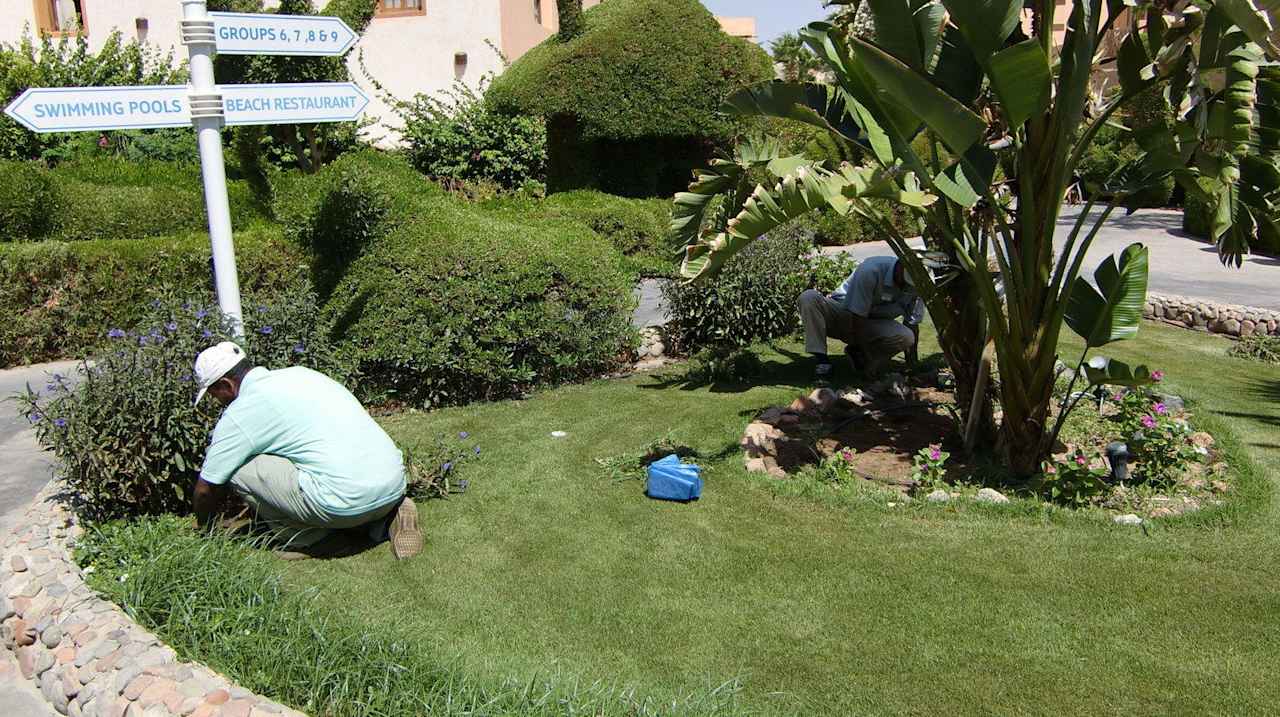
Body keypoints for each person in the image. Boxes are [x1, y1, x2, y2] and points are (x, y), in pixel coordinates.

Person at [190, 342, 423, 559]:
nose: (216, 401)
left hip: (343, 504)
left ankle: (313, 540)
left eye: (213, 394)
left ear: (226, 385)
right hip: (393, 481)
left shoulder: (242, 411)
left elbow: (206, 488)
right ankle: (386, 517)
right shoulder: (302, 374)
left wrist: (205, 529)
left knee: (239, 468)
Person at [799, 256, 923, 382]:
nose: (905, 287)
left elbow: (912, 323)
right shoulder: (871, 270)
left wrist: (912, 364)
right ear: (900, 266)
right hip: (843, 313)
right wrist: (866, 356)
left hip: (874, 321)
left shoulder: (918, 285)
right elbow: (858, 319)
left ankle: (860, 356)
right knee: (808, 298)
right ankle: (823, 361)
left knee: (907, 336)